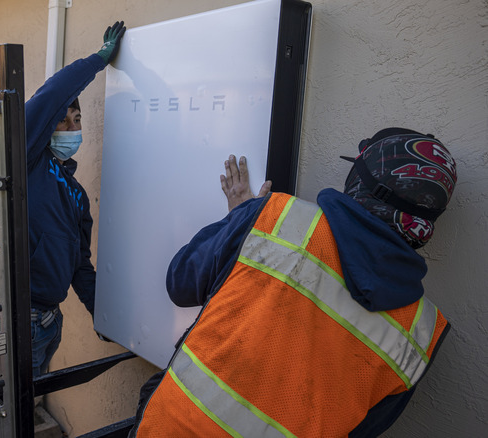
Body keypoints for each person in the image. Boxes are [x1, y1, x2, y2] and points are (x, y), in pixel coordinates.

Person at [130, 128, 456, 437]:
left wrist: (241, 219)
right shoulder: (420, 332)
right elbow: (362, 428)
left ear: (362, 182)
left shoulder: (276, 219)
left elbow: (180, 282)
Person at [25, 21, 126, 376]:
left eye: (78, 120)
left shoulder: (77, 195)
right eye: (62, 121)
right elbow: (48, 98)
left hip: (50, 321)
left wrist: (102, 313)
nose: (71, 128)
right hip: (16, 319)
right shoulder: (28, 161)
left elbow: (80, 264)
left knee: (27, 409)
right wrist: (97, 60)